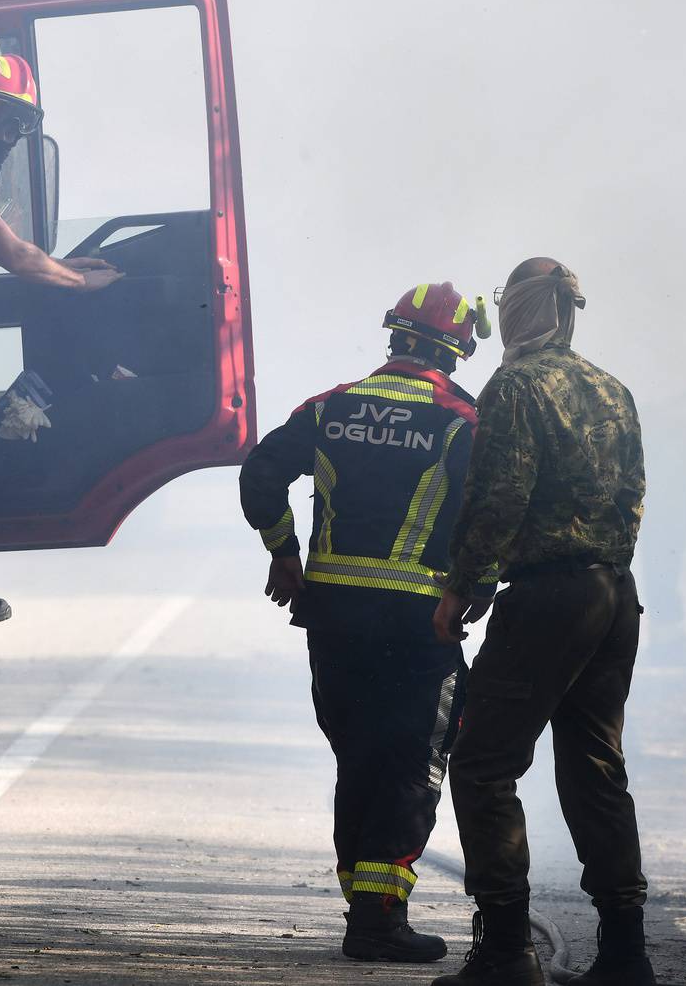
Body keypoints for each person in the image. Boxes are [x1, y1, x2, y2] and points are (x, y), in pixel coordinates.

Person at [239, 282, 495, 964]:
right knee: (412, 761)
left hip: (332, 616)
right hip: (420, 622)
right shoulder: (460, 420)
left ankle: (365, 904)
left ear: (395, 336)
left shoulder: (329, 407)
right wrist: (477, 589)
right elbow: (487, 514)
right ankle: (378, 921)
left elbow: (261, 474)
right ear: (458, 348)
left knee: (358, 756)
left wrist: (284, 552)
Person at [434, 259, 654, 986]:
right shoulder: (612, 389)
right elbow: (631, 503)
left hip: (549, 598)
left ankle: (505, 952)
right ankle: (626, 954)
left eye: (512, 305)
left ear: (526, 311)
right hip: (613, 594)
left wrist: (465, 587)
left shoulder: (516, 386)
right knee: (595, 769)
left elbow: (499, 496)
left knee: (483, 765)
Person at [0, 54, 118, 624]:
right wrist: (80, 282)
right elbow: (11, 252)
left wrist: (56, 264)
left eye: (19, 127)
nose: (8, 137)